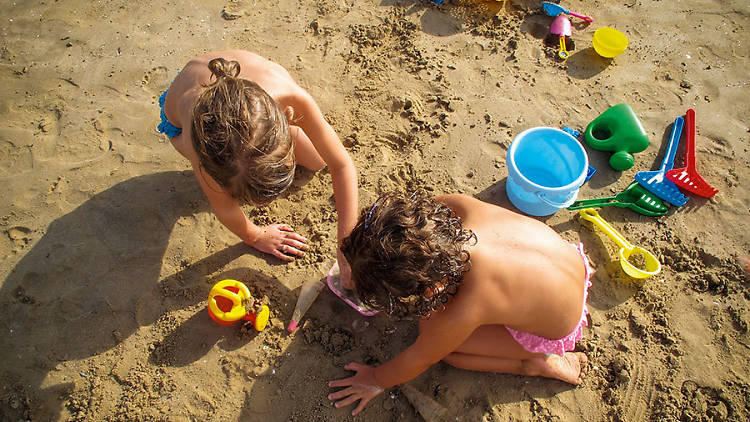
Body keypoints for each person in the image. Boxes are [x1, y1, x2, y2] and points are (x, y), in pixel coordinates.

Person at [328, 191, 591, 416]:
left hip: (558, 326)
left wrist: (375, 379)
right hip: (568, 263)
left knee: (448, 350)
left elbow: (419, 358)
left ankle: (537, 363)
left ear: (433, 289)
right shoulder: (460, 208)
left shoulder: (467, 304)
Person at [158, 50, 358, 273]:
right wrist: (256, 236)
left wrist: (346, 250)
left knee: (317, 160)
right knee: (221, 181)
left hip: (228, 78)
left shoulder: (290, 95)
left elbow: (341, 165)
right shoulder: (197, 140)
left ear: (286, 116)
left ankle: (263, 153)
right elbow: (223, 208)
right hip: (180, 119)